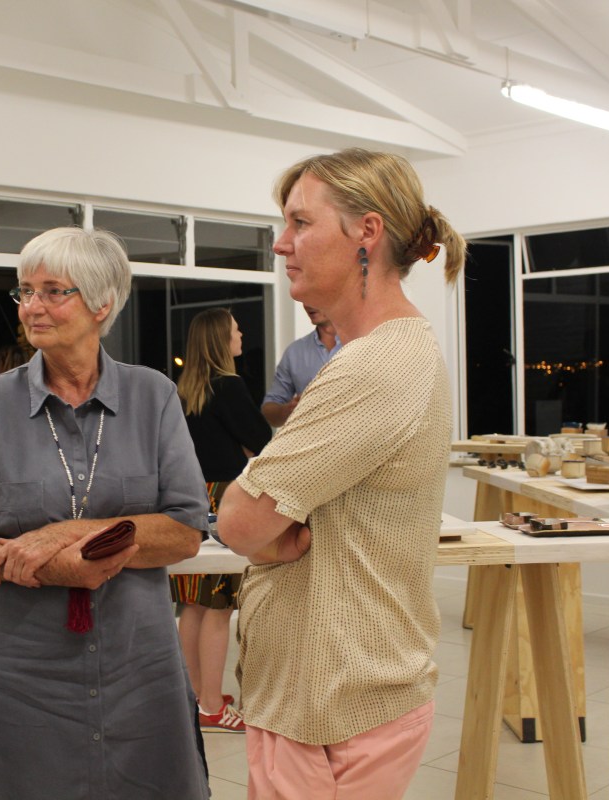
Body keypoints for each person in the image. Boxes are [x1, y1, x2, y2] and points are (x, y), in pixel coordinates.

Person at [0, 227, 210, 799]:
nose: (32, 307)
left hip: (137, 672)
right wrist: (50, 568)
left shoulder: (152, 397)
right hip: (16, 677)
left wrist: (72, 532)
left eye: (54, 291)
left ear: (102, 304)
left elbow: (185, 529)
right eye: (25, 291)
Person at [216, 149, 466, 799]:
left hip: (331, 704)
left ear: (367, 232)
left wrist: (265, 531)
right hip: (334, 692)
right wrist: (273, 529)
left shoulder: (373, 366)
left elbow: (239, 520)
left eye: (301, 222)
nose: (282, 243)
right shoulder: (385, 353)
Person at [171, 308, 271, 733]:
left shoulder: (183, 390)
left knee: (193, 604)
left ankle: (196, 696)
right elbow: (262, 442)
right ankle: (212, 705)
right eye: (235, 328)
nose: (242, 333)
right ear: (220, 339)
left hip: (189, 499)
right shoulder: (229, 386)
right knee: (218, 607)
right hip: (225, 500)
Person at [260, 305, 340, 427]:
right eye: (304, 299)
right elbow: (269, 409)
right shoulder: (294, 352)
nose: (307, 305)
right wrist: (288, 410)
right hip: (312, 437)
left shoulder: (364, 342)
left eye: (314, 296)